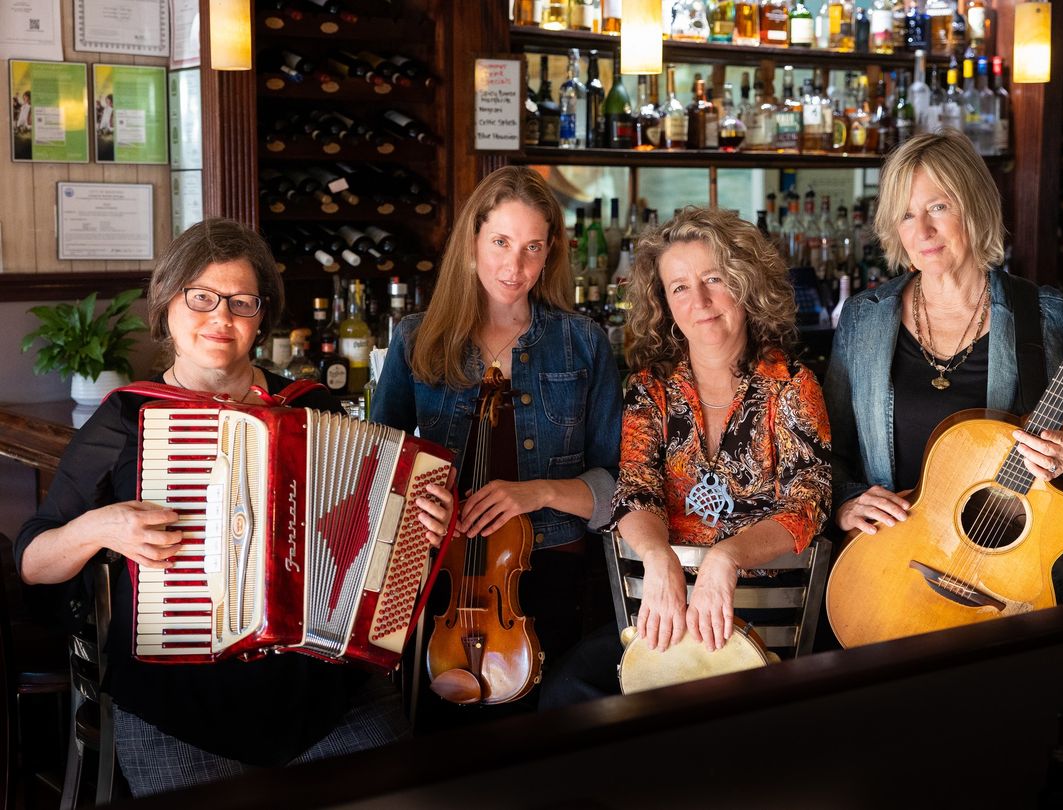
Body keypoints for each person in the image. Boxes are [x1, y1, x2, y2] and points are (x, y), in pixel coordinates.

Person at [14, 218, 454, 797]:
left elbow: (370, 529)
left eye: (241, 303)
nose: (221, 318)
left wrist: (423, 525)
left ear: (260, 317)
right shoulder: (127, 418)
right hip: (182, 706)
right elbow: (31, 558)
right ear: (168, 304)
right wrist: (101, 526)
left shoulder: (309, 406)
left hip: (322, 694)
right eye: (202, 298)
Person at [540, 206, 832, 706]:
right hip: (664, 610)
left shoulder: (791, 386)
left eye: (713, 278)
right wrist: (658, 557)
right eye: (678, 287)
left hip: (766, 617)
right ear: (664, 304)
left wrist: (726, 558)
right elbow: (634, 494)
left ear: (745, 283)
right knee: (566, 696)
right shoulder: (651, 391)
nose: (699, 300)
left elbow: (809, 504)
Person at [824, 130, 1063, 602]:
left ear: (975, 205)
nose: (921, 232)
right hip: (892, 577)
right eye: (905, 215)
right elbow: (827, 458)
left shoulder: (1047, 316)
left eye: (938, 207)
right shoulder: (864, 319)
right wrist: (846, 503)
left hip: (1013, 584)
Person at [370, 166, 621, 716]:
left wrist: (537, 493)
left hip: (551, 572)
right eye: (501, 242)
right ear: (473, 241)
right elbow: (377, 466)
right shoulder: (416, 338)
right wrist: (422, 502)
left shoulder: (583, 343)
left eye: (533, 248)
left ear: (550, 251)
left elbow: (617, 487)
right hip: (443, 574)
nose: (515, 266)